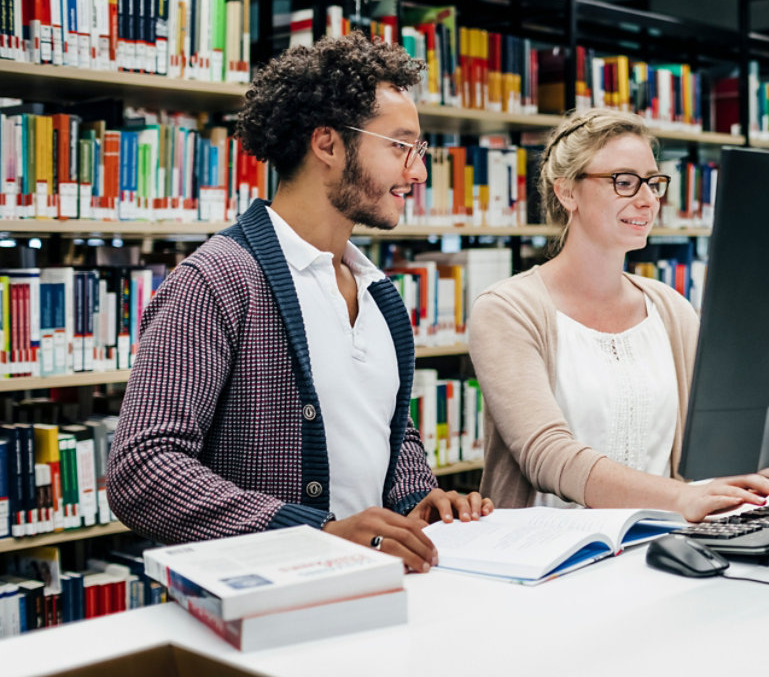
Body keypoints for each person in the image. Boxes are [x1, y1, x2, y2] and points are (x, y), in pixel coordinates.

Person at [108, 35, 492, 573]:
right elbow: (142, 470)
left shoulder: (379, 293)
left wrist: (417, 505)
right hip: (262, 608)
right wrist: (318, 535)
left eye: (419, 151)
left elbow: (384, 432)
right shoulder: (215, 282)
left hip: (375, 595)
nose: (418, 172)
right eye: (399, 147)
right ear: (328, 144)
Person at [467, 108, 769, 522]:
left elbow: (711, 438)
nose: (647, 199)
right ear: (567, 192)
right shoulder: (507, 310)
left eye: (653, 182)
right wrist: (678, 498)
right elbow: (548, 456)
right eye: (624, 182)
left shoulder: (669, 308)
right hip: (546, 559)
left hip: (655, 543)